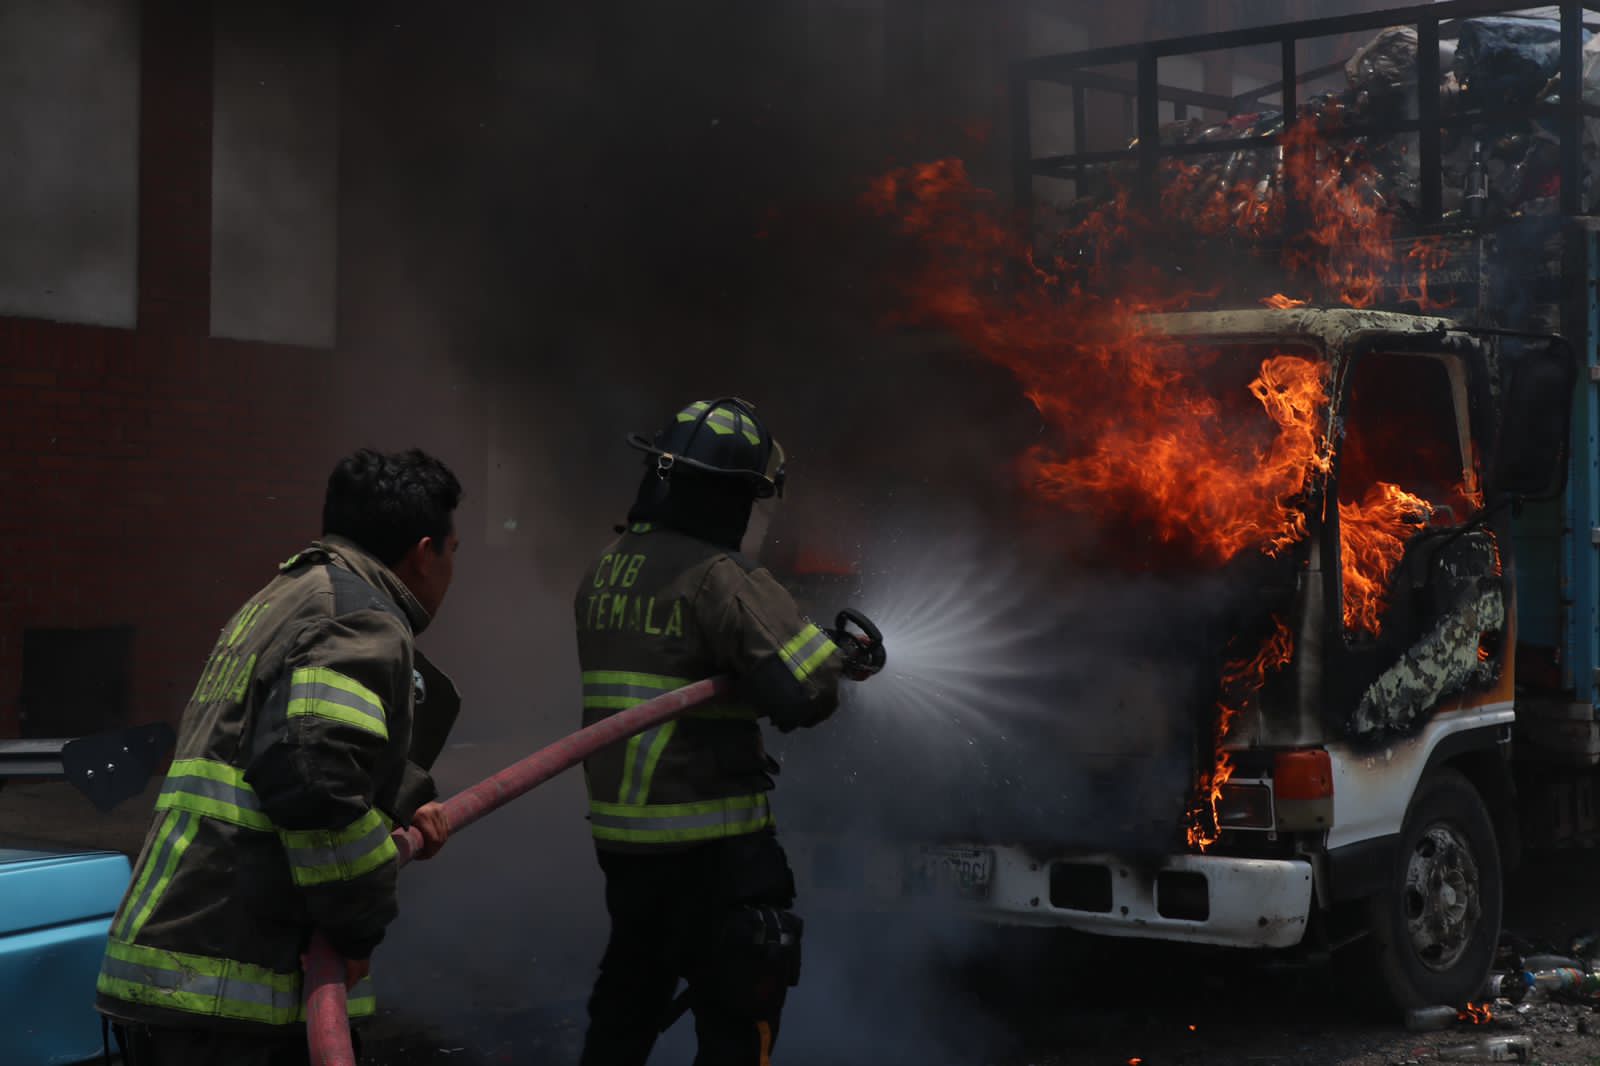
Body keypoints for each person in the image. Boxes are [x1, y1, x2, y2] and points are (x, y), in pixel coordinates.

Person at [96, 447, 463, 1066]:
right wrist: (356, 928)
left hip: (178, 974)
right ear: (424, 551)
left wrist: (400, 805)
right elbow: (315, 783)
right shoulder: (358, 621)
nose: (452, 572)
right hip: (232, 994)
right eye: (454, 553)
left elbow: (277, 758)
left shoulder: (283, 599)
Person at [577, 397, 872, 1066]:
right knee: (743, 1002)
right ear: (731, 497)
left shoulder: (606, 569)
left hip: (624, 846)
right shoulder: (722, 579)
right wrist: (831, 666)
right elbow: (806, 694)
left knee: (627, 1003)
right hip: (713, 849)